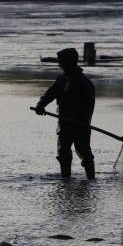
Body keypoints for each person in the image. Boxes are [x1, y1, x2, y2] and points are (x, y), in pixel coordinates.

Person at [34, 48, 96, 180]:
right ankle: (65, 179)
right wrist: (41, 105)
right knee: (63, 152)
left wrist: (79, 118)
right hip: (64, 123)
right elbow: (50, 93)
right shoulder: (61, 79)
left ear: (70, 62)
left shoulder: (84, 82)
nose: (59, 65)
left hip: (80, 125)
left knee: (84, 152)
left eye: (61, 62)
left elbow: (89, 106)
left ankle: (91, 180)